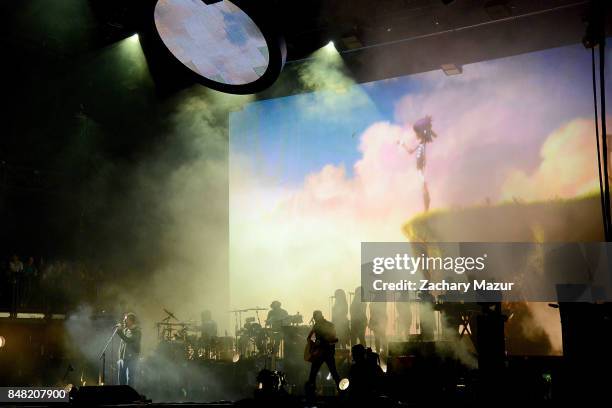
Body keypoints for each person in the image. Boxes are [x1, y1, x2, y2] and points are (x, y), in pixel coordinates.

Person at [398, 115, 439, 211]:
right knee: (423, 187)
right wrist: (402, 144)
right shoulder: (421, 142)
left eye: (417, 132)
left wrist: (402, 144)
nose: (415, 134)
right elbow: (411, 152)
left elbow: (412, 151)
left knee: (424, 187)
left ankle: (426, 210)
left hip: (421, 166)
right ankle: (426, 209)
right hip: (420, 166)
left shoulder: (422, 142)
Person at [305, 310, 340, 396]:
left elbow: (334, 338)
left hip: (327, 352)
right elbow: (311, 338)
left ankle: (341, 390)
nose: (315, 318)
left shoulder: (329, 325)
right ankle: (311, 390)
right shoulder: (316, 326)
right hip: (319, 353)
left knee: (332, 372)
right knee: (314, 373)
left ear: (319, 316)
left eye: (315, 316)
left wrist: (322, 341)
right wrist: (315, 341)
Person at [116, 312, 141, 387]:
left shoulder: (137, 332)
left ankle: (130, 396)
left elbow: (129, 340)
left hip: (132, 358)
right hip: (122, 358)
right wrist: (120, 356)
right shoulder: (126, 330)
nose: (124, 321)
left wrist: (119, 332)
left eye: (125, 319)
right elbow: (123, 343)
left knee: (130, 378)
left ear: (131, 321)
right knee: (121, 378)